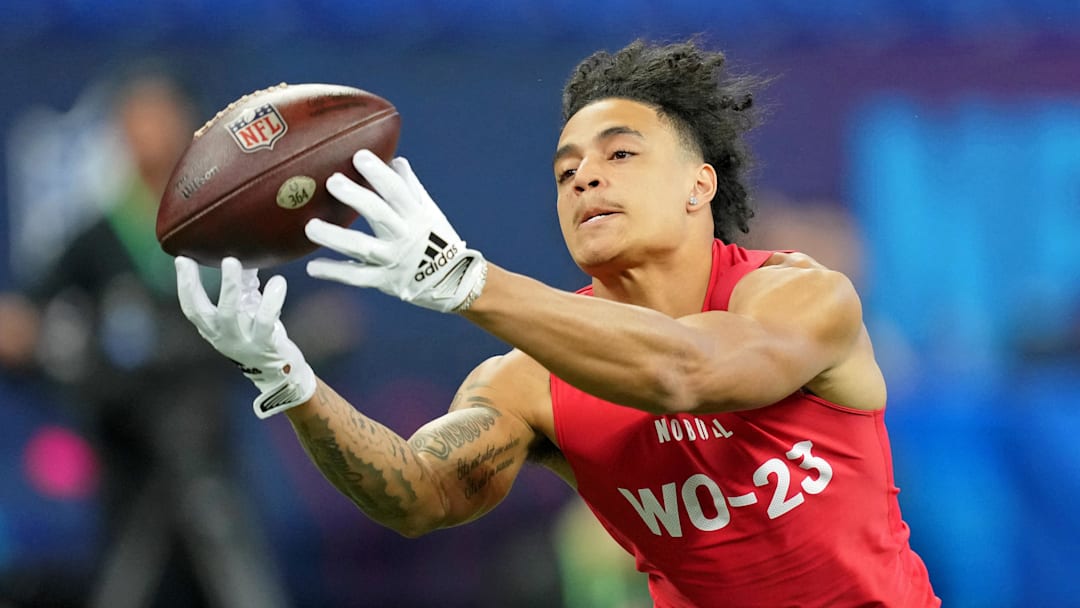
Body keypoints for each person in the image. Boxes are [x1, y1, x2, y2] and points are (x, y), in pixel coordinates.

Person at [176, 39, 940, 606]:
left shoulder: (799, 296)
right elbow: (417, 494)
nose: (587, 177)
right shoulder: (531, 377)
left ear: (698, 184)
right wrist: (288, 377)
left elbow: (690, 372)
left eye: (620, 153)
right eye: (565, 171)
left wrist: (467, 282)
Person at [0, 71, 291, 608]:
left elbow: (275, 303)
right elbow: (36, 308)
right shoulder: (98, 232)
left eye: (156, 119)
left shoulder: (223, 222)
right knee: (128, 560)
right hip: (126, 430)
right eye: (131, 122)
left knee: (223, 544)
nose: (143, 134)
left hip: (203, 428)